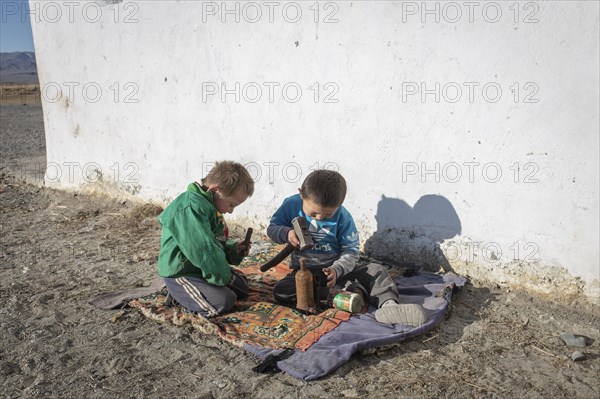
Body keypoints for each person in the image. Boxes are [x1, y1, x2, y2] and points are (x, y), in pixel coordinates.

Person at [267, 169, 427, 326]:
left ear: (340, 205)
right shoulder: (291, 205)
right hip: (305, 273)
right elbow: (272, 229)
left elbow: (351, 251)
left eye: (328, 215)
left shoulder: (343, 217)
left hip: (337, 272)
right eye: (313, 213)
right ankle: (336, 294)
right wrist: (286, 233)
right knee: (282, 290)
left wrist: (337, 270)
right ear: (302, 195)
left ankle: (389, 306)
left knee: (376, 270)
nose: (320, 217)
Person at [157, 160, 254, 317]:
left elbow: (216, 241)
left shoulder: (209, 206)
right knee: (224, 301)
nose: (230, 211)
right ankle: (179, 295)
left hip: (198, 268)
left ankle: (198, 289)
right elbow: (204, 251)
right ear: (216, 190)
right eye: (231, 205)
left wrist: (234, 250)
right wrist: (223, 277)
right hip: (181, 272)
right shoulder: (190, 207)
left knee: (242, 287)